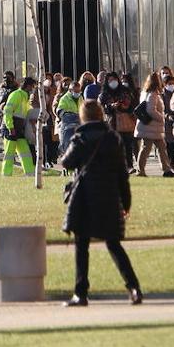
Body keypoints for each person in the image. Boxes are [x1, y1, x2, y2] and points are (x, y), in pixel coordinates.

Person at [60, 100, 142, 307]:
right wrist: (126, 203)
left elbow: (67, 162)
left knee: (82, 246)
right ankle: (134, 287)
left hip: (85, 198)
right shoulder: (113, 138)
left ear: (83, 116)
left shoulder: (80, 138)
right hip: (109, 196)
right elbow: (122, 175)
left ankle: (81, 292)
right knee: (114, 245)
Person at [135, 72, 174, 177]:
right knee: (146, 148)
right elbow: (151, 110)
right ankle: (140, 170)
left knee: (161, 148)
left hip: (151, 127)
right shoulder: (153, 94)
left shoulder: (146, 93)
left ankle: (166, 169)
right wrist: (161, 117)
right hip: (151, 127)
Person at [99, 72, 138, 173]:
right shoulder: (104, 93)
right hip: (112, 122)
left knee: (127, 145)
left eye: (114, 79)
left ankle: (129, 165)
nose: (113, 82)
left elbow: (131, 104)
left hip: (125, 121)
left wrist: (121, 105)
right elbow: (102, 108)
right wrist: (111, 106)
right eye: (110, 80)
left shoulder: (125, 91)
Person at [1, 77, 37, 177]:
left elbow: (25, 112)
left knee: (25, 152)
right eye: (32, 86)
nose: (33, 89)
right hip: (11, 127)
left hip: (19, 128)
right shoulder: (16, 95)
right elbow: (7, 111)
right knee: (9, 153)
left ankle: (30, 174)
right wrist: (10, 127)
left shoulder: (25, 97)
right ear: (28, 85)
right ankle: (6, 175)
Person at [55, 80, 83, 159]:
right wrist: (70, 115)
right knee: (67, 146)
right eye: (75, 91)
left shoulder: (80, 98)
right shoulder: (65, 98)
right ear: (70, 90)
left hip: (78, 125)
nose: (77, 92)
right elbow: (60, 111)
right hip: (68, 126)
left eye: (79, 91)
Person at [159, 72, 174, 170]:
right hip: (166, 124)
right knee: (167, 146)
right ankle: (167, 166)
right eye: (169, 83)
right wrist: (167, 116)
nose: (171, 85)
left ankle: (173, 166)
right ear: (164, 84)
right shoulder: (162, 95)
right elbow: (160, 109)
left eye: (173, 83)